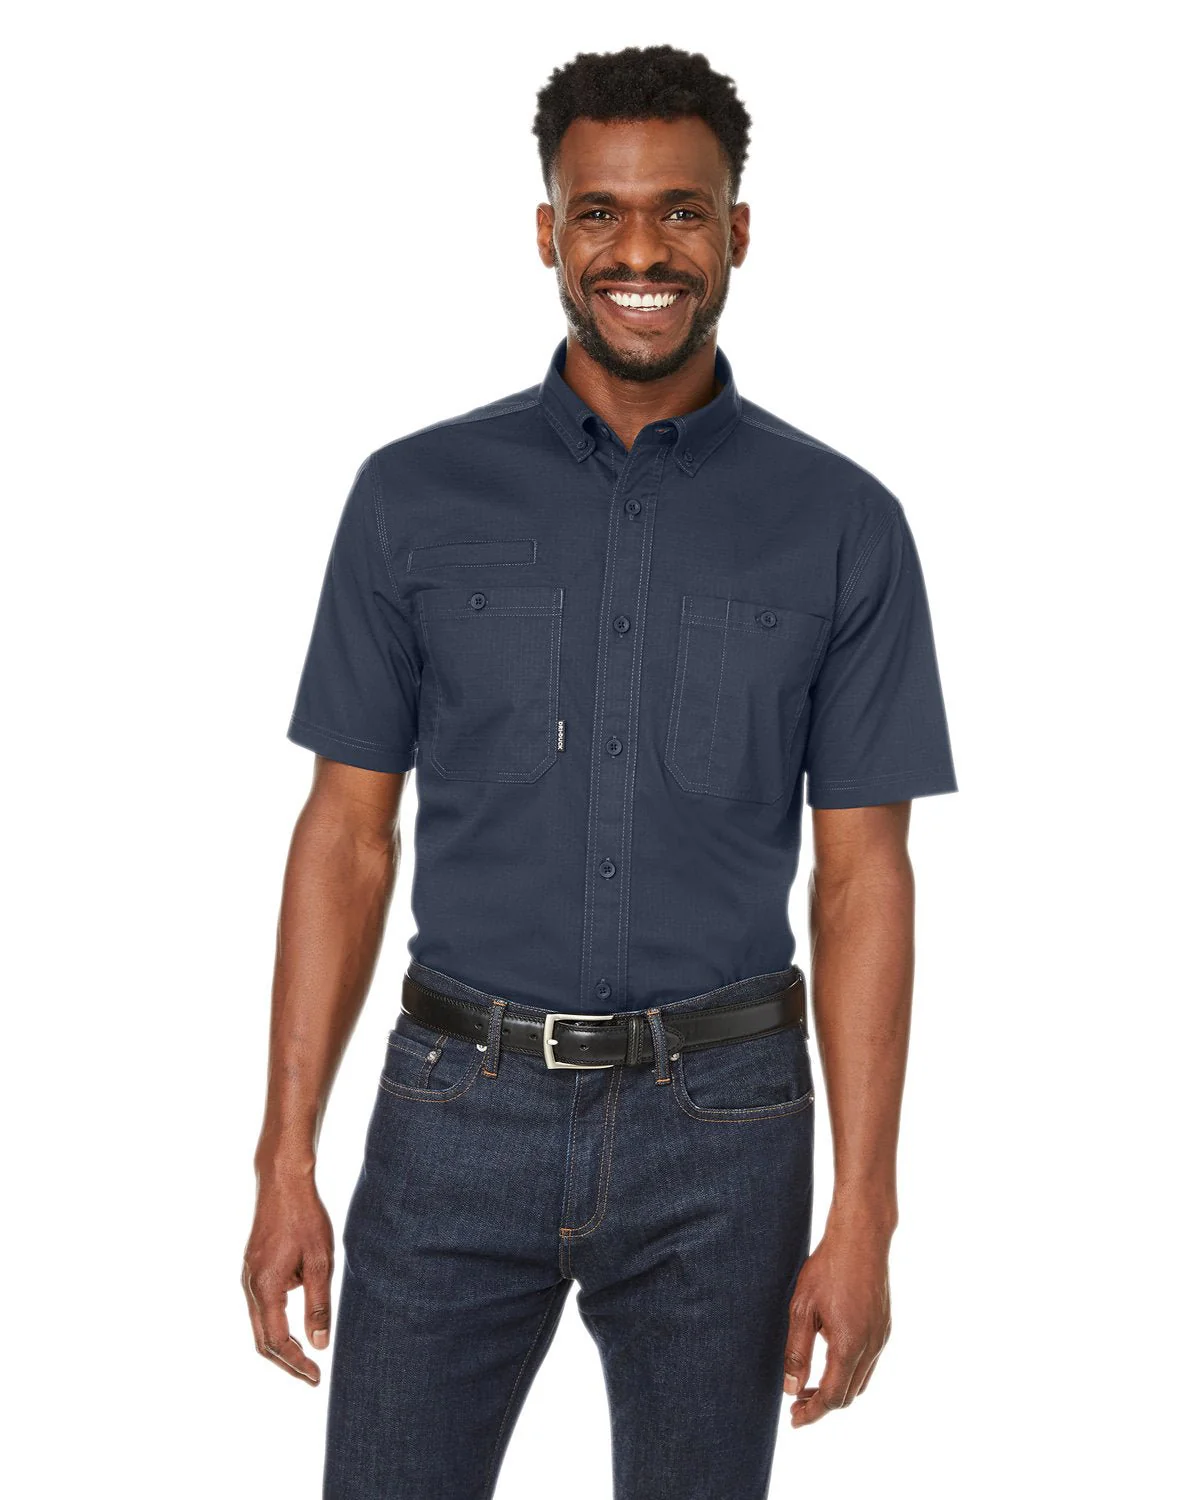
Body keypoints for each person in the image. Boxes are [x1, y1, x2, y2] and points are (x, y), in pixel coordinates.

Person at [242, 43, 957, 1500]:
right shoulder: (409, 498)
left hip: (726, 1131)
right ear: (548, 232)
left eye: (681, 211)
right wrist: (283, 1160)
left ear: (738, 229)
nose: (642, 252)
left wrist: (866, 1213)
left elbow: (863, 878)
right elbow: (348, 839)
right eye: (600, 213)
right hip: (454, 1110)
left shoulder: (845, 525)